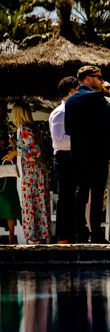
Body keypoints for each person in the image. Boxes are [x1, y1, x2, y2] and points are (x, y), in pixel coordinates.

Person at [64, 65, 110, 243]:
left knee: (80, 193)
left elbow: (68, 129)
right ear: (89, 78)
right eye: (99, 77)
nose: (101, 80)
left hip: (79, 153)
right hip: (98, 153)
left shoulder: (71, 101)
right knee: (97, 194)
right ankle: (96, 234)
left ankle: (80, 234)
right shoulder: (97, 96)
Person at [3, 102, 50, 243]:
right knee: (39, 202)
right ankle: (39, 235)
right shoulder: (32, 128)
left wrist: (15, 152)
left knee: (31, 203)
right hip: (39, 172)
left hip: (32, 173)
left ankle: (33, 237)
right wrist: (16, 143)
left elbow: (35, 151)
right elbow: (31, 146)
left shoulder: (25, 129)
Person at [49, 76, 79, 243]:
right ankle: (62, 236)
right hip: (64, 158)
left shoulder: (72, 110)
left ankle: (71, 235)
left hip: (72, 157)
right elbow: (58, 140)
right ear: (72, 91)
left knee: (73, 198)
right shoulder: (61, 112)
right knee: (65, 198)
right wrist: (81, 139)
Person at [0, 105, 21, 243]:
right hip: (4, 163)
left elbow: (15, 148)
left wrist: (12, 145)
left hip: (7, 166)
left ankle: (11, 237)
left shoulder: (7, 127)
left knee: (10, 198)